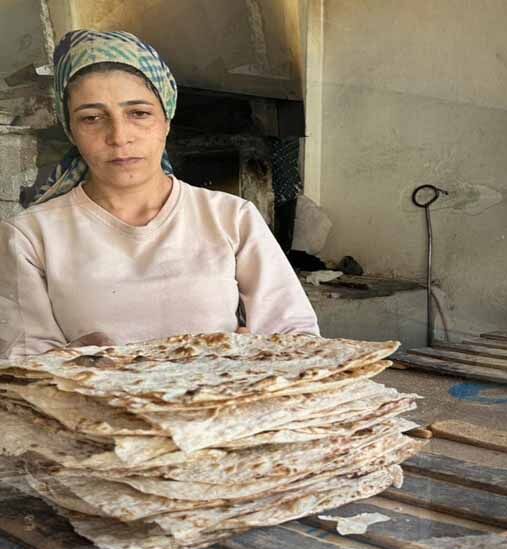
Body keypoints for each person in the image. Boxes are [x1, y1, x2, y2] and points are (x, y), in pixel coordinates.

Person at [0, 30, 318, 360]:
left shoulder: (231, 217)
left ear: (167, 118)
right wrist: (81, 364)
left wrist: (254, 355)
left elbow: (297, 339)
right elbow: (24, 363)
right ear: (71, 130)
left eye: (139, 113)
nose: (119, 136)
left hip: (225, 392)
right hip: (89, 395)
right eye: (92, 118)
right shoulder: (30, 236)